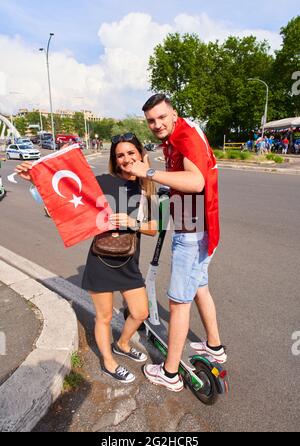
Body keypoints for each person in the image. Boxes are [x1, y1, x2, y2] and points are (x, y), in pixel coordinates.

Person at [15, 134, 157, 384]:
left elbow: (154, 227)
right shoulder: (102, 182)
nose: (126, 159)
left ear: (140, 154)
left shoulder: (147, 185)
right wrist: (38, 182)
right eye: (120, 155)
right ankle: (108, 362)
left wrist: (132, 222)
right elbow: (63, 201)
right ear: (115, 159)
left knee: (140, 312)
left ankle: (122, 343)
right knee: (102, 317)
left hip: (129, 261)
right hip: (101, 259)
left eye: (131, 153)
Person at [130, 94, 227, 393]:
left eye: (161, 117)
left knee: (178, 301)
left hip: (193, 231)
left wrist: (146, 171)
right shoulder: (179, 134)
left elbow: (196, 182)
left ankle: (170, 373)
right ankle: (215, 346)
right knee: (200, 288)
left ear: (173, 114)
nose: (156, 124)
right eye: (151, 120)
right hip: (202, 225)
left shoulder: (184, 136)